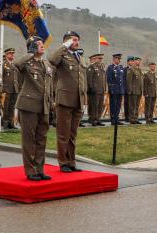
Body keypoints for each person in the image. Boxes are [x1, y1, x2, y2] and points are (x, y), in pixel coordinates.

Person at [13, 37, 55, 181]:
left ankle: (40, 169)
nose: (42, 46)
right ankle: (30, 171)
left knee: (41, 139)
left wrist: (51, 103)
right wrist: (30, 53)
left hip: (44, 106)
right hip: (28, 106)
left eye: (42, 43)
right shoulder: (27, 62)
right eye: (38, 44)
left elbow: (50, 86)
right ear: (31, 47)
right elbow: (16, 64)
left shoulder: (47, 63)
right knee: (29, 140)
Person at [48, 31, 87, 172]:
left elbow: (83, 80)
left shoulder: (79, 57)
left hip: (78, 100)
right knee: (63, 134)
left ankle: (72, 162)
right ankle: (63, 162)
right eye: (74, 40)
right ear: (67, 41)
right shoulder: (61, 55)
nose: (77, 43)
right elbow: (52, 60)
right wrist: (64, 46)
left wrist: (84, 99)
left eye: (78, 40)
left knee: (72, 134)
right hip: (64, 100)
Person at [1, 48, 20, 131]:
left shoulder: (14, 65)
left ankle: (11, 123)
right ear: (6, 55)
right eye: (10, 53)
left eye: (13, 53)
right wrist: (2, 90)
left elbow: (17, 78)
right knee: (6, 107)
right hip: (6, 89)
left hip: (15, 89)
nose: (12, 55)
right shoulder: (3, 65)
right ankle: (5, 124)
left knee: (12, 107)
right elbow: (1, 78)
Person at [86, 53, 106, 126]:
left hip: (101, 89)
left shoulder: (101, 67)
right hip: (94, 90)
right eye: (99, 58)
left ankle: (98, 119)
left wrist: (105, 88)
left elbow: (104, 79)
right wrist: (91, 88)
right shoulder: (92, 67)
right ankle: (93, 119)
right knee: (94, 105)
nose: (100, 60)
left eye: (101, 59)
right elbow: (89, 79)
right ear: (95, 59)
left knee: (100, 105)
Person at [106, 54, 127, 124]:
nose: (119, 60)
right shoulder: (110, 68)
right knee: (113, 105)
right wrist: (111, 89)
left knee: (118, 105)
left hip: (120, 90)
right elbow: (109, 79)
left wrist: (123, 89)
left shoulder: (121, 68)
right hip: (114, 90)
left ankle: (117, 119)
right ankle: (113, 119)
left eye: (119, 59)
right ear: (114, 59)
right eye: (118, 59)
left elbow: (123, 80)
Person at [125, 56, 144, 124]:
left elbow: (140, 81)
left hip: (138, 91)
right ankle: (132, 119)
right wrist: (129, 90)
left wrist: (142, 90)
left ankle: (135, 118)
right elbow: (129, 81)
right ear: (134, 61)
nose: (138, 62)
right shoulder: (131, 69)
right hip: (133, 91)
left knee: (136, 106)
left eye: (139, 61)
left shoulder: (139, 70)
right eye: (137, 60)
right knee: (132, 106)